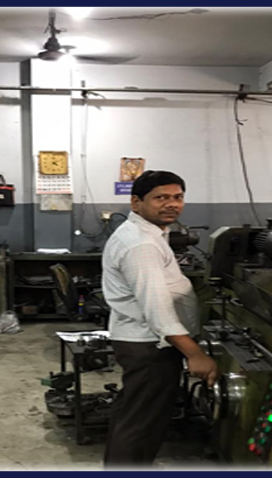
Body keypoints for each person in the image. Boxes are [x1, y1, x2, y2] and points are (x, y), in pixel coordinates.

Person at [102, 170, 219, 468]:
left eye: (177, 197)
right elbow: (158, 311)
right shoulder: (141, 244)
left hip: (143, 341)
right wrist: (195, 354)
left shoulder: (150, 234)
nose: (171, 204)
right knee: (142, 424)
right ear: (136, 202)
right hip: (150, 346)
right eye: (161, 198)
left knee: (134, 414)